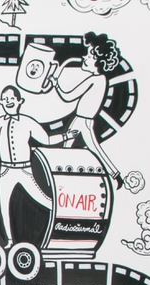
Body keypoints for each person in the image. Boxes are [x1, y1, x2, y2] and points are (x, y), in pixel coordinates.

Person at [0, 85, 77, 248]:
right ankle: (10, 241)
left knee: (44, 200)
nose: (8, 101)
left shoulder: (27, 122)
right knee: (4, 206)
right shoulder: (0, 122)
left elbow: (46, 140)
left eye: (12, 98)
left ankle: (65, 222)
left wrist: (66, 136)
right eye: (5, 99)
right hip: (6, 171)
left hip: (24, 170)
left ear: (20, 101)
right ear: (1, 102)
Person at [52, 31, 122, 187]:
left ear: (98, 60)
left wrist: (56, 84)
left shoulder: (95, 80)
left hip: (83, 121)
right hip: (83, 120)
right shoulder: (101, 79)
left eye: (89, 55)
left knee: (72, 149)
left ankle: (65, 179)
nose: (84, 57)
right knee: (81, 148)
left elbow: (68, 96)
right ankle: (114, 175)